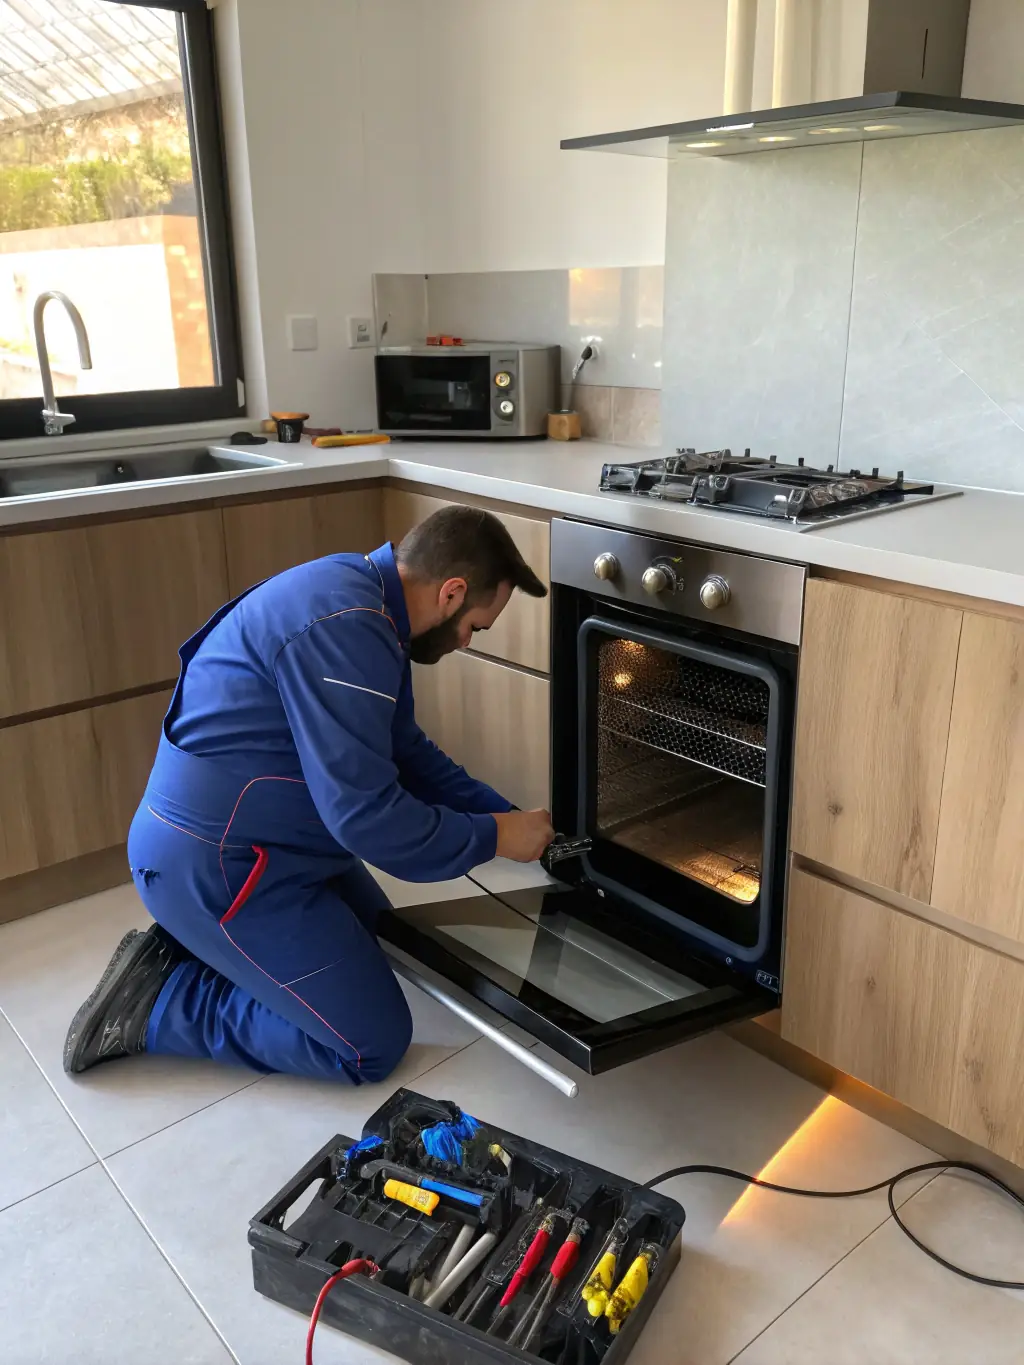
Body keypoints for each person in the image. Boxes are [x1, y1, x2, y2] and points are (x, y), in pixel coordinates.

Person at [63, 506, 555, 1085]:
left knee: (390, 939)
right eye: (477, 625)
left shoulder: (363, 600)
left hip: (267, 845)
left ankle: (216, 954)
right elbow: (371, 820)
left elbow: (406, 753)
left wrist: (504, 814)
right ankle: (162, 1004)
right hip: (219, 865)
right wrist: (496, 838)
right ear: (451, 593)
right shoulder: (350, 627)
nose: (469, 641)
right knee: (369, 1043)